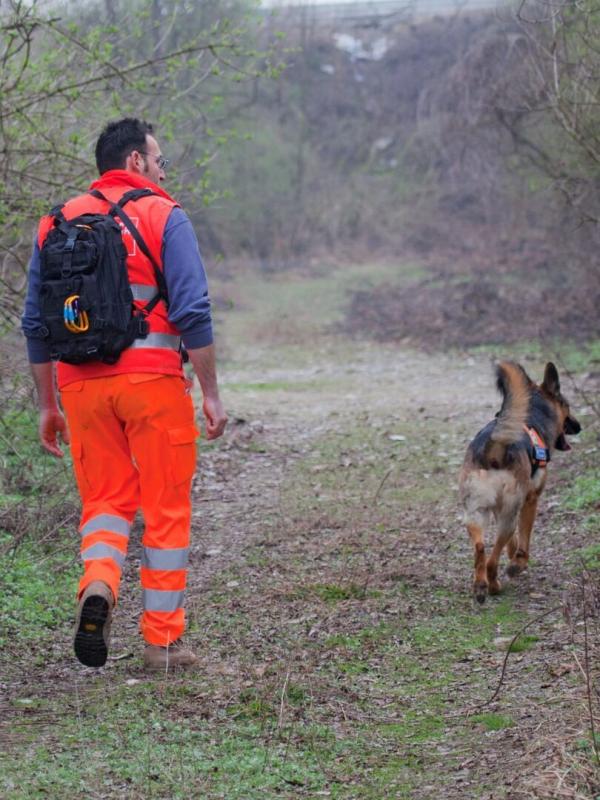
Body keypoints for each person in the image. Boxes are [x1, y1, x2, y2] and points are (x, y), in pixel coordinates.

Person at [21, 118, 227, 670]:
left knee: (107, 504)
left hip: (80, 388)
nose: (163, 171)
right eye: (159, 160)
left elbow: (36, 325)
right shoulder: (165, 214)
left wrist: (47, 406)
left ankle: (99, 585)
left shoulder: (56, 222)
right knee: (164, 507)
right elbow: (192, 310)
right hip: (153, 385)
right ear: (136, 162)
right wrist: (210, 391)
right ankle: (162, 643)